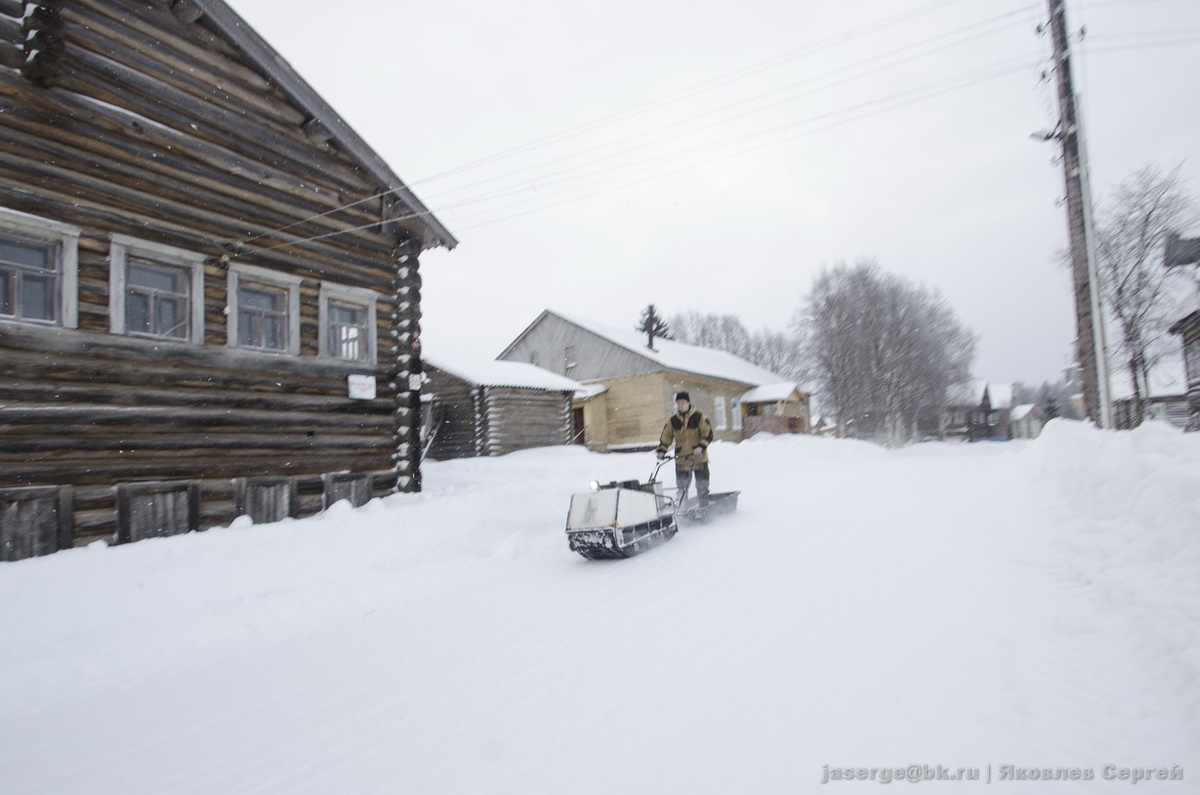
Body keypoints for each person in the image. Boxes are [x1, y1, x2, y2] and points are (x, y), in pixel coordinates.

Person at [656, 392, 714, 508]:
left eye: (683, 402)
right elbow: (666, 435)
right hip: (682, 460)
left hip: (699, 458)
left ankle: (704, 508)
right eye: (678, 403)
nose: (680, 405)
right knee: (682, 488)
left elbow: (708, 434)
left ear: (688, 403)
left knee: (702, 486)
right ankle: (683, 509)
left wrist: (701, 447)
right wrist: (662, 449)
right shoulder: (673, 420)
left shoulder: (700, 418)